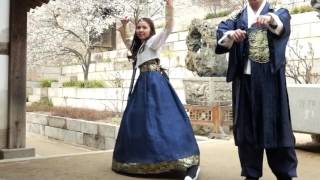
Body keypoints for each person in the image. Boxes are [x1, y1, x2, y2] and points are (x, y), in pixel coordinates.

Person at [112, 0, 200, 179]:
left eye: (144, 27)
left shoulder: (153, 42)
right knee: (141, 122)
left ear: (151, 30)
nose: (141, 30)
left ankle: (182, 159)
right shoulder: (139, 47)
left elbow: (168, 28)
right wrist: (123, 27)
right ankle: (145, 160)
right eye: (138, 27)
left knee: (162, 120)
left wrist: (169, 7)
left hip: (155, 85)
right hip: (142, 84)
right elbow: (128, 40)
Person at [215, 0, 297, 179]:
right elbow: (222, 34)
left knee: (277, 124)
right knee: (246, 127)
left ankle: (285, 173)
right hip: (244, 82)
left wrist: (270, 20)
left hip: (271, 82)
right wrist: (231, 35)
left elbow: (282, 25)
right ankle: (251, 173)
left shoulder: (277, 11)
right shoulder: (237, 17)